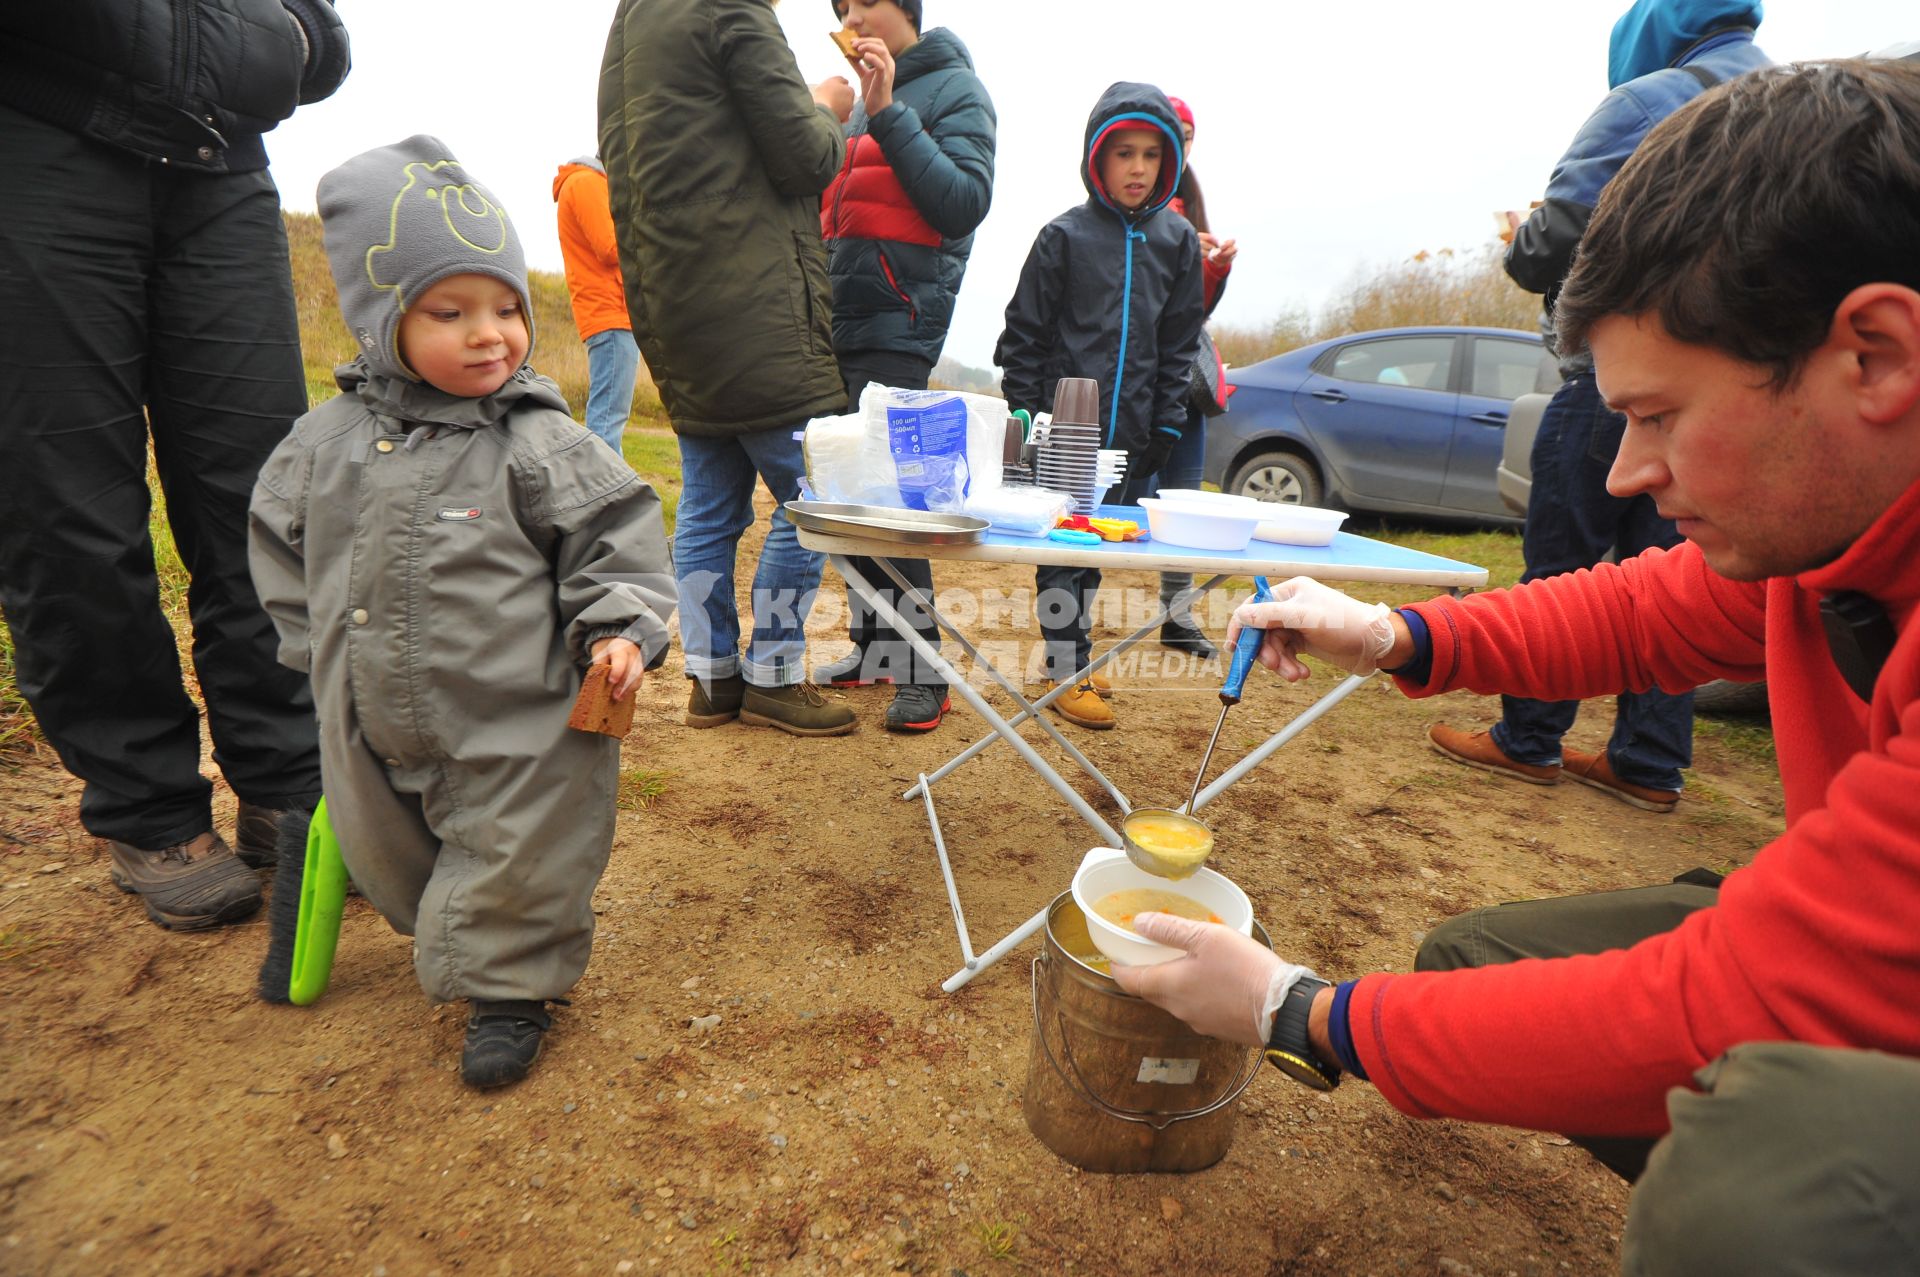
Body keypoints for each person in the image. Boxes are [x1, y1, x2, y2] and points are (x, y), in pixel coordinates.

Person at [1114, 60, 1920, 1274]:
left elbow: (1749, 993)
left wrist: (1301, 1011)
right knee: (1475, 962)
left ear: (1875, 355)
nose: (1620, 475)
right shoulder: (1832, 530)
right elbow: (1647, 611)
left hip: (1852, 1002)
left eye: (1658, 417)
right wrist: (1398, 634)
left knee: (1763, 1182)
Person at [248, 137, 675, 1088]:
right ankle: (441, 925)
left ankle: (511, 990)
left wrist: (619, 627)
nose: (491, 334)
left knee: (523, 854)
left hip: (518, 718)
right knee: (392, 842)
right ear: (376, 317)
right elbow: (279, 550)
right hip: (368, 711)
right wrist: (312, 649)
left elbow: (615, 538)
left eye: (508, 308)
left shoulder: (539, 441)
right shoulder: (319, 447)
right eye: (450, 311)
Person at [0, 1, 350, 932]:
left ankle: (288, 777)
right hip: (36, 134)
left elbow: (321, 31)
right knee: (66, 504)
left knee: (267, 497)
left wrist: (297, 38)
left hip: (223, 162)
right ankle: (148, 806)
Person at [1431, 0, 1770, 814]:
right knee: (1685, 573)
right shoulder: (1785, 99)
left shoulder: (1651, 99)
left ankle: (1528, 738)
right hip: (1737, 400)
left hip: (1613, 380)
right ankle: (1650, 759)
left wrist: (1522, 238)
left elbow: (1553, 239)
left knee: (1566, 551)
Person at [599, 0, 859, 738]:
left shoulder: (630, 23)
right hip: (753, 301)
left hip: (675, 308)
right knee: (815, 495)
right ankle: (774, 673)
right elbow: (805, 156)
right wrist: (828, 106)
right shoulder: (730, 7)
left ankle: (713, 679)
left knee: (710, 506)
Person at [994, 83, 1204, 730]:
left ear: (1169, 160)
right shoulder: (1063, 237)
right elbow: (1023, 336)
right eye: (1122, 154)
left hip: (1131, 436)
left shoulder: (1178, 241)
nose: (1137, 168)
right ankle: (1067, 666)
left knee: (1094, 553)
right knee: (1062, 548)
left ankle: (1072, 655)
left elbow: (1179, 343)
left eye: (1149, 154)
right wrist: (1029, 416)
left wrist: (1166, 422)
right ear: (1097, 158)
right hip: (1064, 434)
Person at [812, 0, 996, 736]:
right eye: (841, 8)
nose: (851, 16)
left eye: (864, 2)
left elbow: (963, 203)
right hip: (838, 319)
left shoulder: (956, 89)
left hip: (900, 318)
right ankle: (876, 645)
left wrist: (888, 111)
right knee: (844, 488)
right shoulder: (857, 102)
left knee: (893, 497)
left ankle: (925, 666)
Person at [1154, 95, 1238, 662]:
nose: (1181, 144)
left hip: (1185, 372)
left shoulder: (1192, 201)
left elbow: (1195, 309)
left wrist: (1214, 268)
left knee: (1184, 494)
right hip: (1133, 372)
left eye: (1188, 134)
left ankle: (1175, 616)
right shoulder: (1129, 204)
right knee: (1110, 498)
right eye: (1172, 131)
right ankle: (1073, 627)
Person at [553, 154, 640, 456]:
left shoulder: (586, 182)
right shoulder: (586, 182)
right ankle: (602, 495)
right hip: (608, 312)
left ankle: (601, 491)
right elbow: (610, 246)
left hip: (611, 311)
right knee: (607, 419)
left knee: (608, 414)